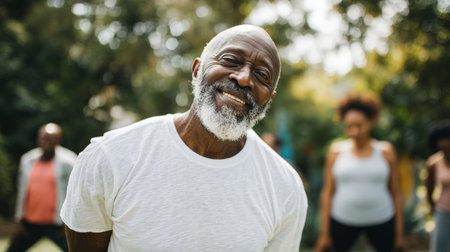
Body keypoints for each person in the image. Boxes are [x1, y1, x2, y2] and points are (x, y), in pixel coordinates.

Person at [61, 24, 308, 252]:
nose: (244, 78)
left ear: (269, 100)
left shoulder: (285, 188)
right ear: (197, 70)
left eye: (262, 75)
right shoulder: (110, 158)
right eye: (231, 60)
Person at [314, 92, 409, 252]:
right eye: (349, 126)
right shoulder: (336, 152)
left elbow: (396, 193)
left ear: (370, 122)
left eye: (359, 125)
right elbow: (328, 193)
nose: (354, 132)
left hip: (382, 218)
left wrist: (399, 236)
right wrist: (324, 235)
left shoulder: (386, 151)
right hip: (342, 219)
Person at [7, 123, 77, 252]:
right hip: (30, 224)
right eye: (44, 138)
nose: (47, 142)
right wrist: (20, 219)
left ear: (59, 141)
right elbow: (22, 190)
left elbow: (75, 192)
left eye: (52, 139)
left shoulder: (69, 160)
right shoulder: (27, 160)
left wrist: (69, 222)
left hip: (58, 225)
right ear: (38, 139)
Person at [425, 121, 450, 252]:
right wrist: (432, 207)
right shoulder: (433, 163)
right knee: (438, 248)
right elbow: (429, 188)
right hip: (443, 211)